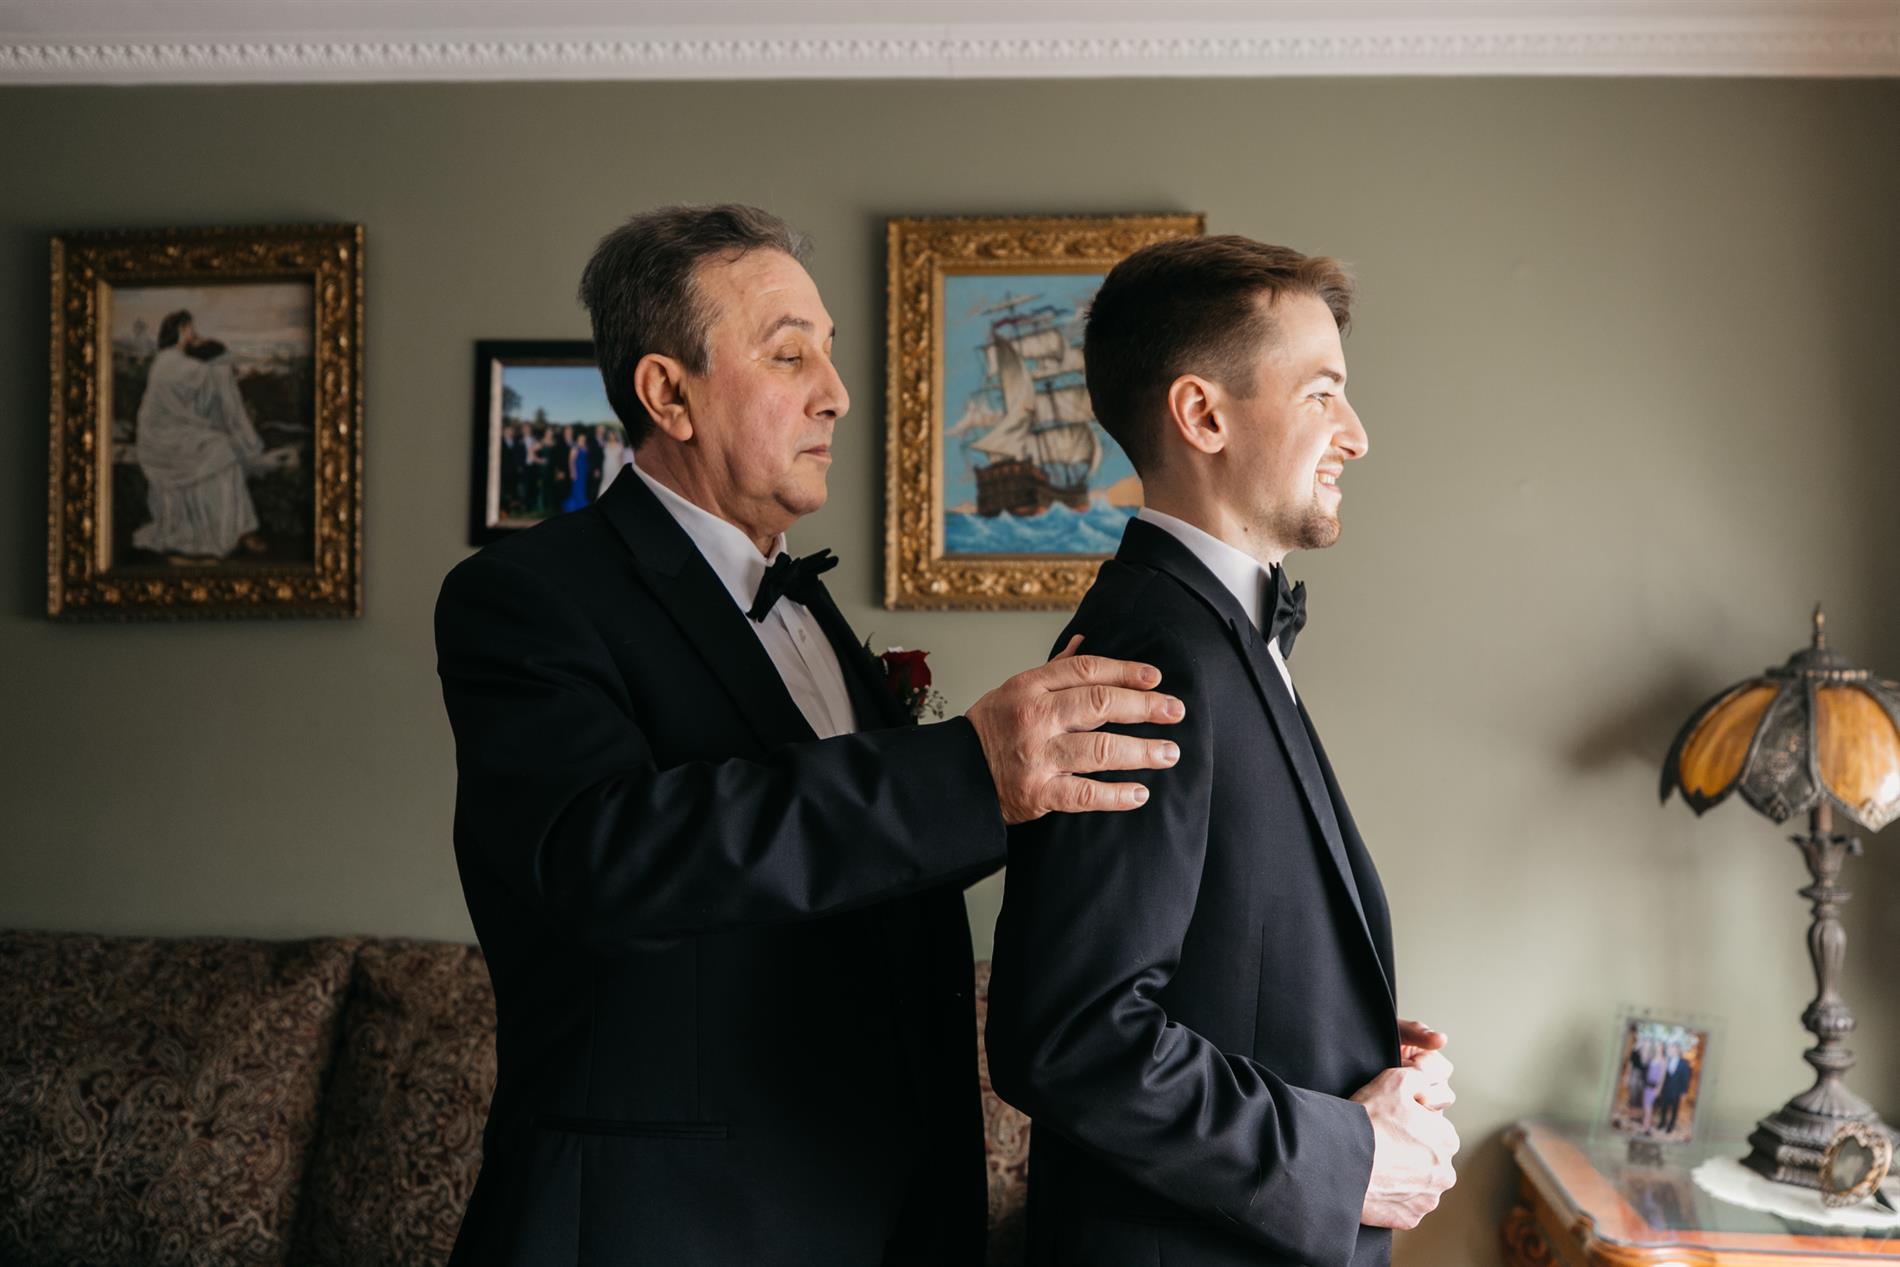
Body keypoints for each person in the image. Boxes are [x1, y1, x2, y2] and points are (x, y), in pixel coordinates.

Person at [434, 204, 1187, 1266]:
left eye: (829, 353)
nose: (835, 391)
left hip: (891, 1213)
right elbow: (602, 857)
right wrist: (967, 768)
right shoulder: (525, 596)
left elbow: (867, 874)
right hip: (664, 1230)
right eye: (791, 355)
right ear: (668, 394)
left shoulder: (806, 606)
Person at [986, 236, 1459, 1267]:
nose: (1356, 434)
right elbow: (1075, 1037)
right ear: (1203, 415)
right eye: (1323, 394)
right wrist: (1346, 1156)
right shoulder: (1154, 656)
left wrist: (1336, 1037)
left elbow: (1211, 960)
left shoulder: (1215, 632)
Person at [130, 310, 271, 562]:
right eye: (191, 329)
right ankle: (231, 530)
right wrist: (222, 362)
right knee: (223, 452)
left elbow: (198, 391)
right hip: (163, 439)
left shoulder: (175, 361)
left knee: (221, 449)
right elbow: (210, 377)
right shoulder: (170, 361)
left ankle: (235, 529)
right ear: (181, 330)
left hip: (174, 433)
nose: (195, 334)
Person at [1656, 1043, 1693, 1134]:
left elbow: (1686, 1078)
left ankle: (1671, 1125)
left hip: (1676, 1091)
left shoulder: (1683, 1063)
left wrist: (1684, 1092)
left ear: (1678, 1050)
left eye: (1673, 1049)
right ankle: (1662, 1122)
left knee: (1674, 1109)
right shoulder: (1667, 1060)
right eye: (1671, 1049)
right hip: (1666, 1089)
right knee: (1663, 1107)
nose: (1671, 1051)